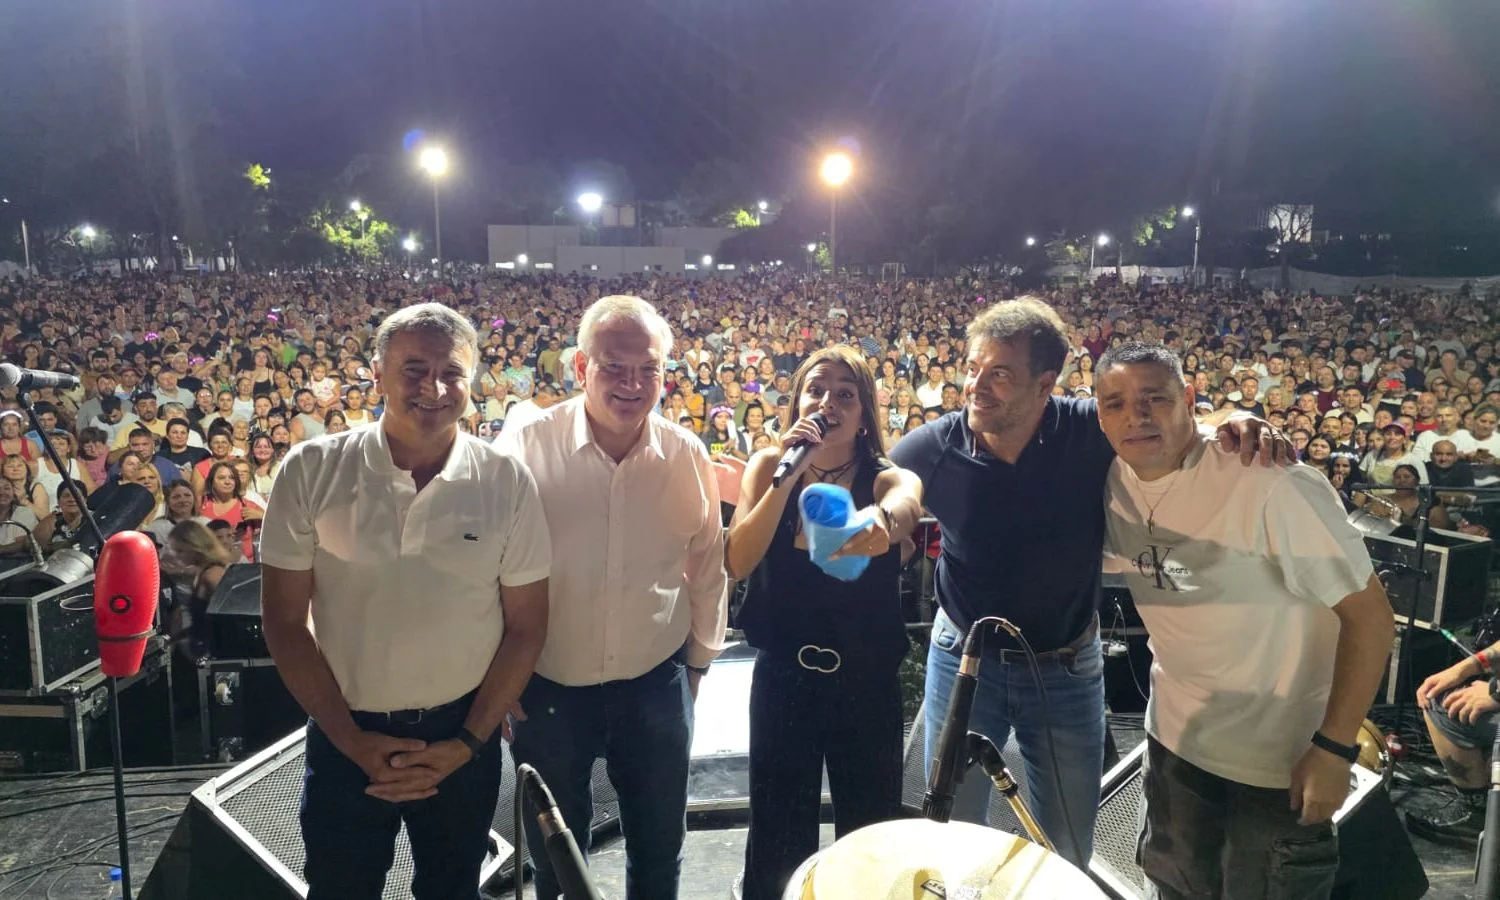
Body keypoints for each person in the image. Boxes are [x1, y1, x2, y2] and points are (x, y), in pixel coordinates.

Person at [888, 297, 1288, 866]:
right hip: (964, 662)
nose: (975, 385)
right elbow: (887, 491)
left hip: (1066, 668)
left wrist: (1232, 421)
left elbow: (1168, 429)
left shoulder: (1088, 430)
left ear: (1045, 383)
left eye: (999, 374)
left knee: (1067, 842)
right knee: (952, 831)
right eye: (972, 367)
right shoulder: (934, 445)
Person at [260, 302, 552, 900]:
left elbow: (527, 624)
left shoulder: (506, 480)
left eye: (452, 372)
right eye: (413, 369)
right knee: (342, 888)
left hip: (461, 734)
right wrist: (352, 741)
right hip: (345, 733)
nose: (435, 387)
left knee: (451, 889)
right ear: (376, 374)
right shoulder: (312, 469)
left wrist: (465, 744)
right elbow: (285, 622)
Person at [1093, 342, 1393, 899]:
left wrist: (1335, 748)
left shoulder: (1269, 479)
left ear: (1187, 397)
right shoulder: (1112, 475)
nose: (1135, 415)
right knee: (1172, 889)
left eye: (1155, 398)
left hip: (1277, 762)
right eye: (1116, 403)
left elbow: (1371, 620)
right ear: (1099, 414)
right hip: (1173, 744)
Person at [496, 295, 728, 900]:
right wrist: (493, 678)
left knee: (658, 855)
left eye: (648, 368)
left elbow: (706, 566)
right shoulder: (525, 449)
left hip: (655, 683)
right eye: (613, 366)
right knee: (557, 863)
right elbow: (483, 571)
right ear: (579, 367)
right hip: (546, 689)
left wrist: (699, 661)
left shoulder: (685, 455)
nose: (632, 383)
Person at [725, 346, 924, 900]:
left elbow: (907, 499)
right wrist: (785, 481)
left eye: (845, 393)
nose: (829, 401)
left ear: (864, 414)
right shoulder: (769, 467)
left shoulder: (885, 476)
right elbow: (737, 560)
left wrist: (884, 522)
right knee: (777, 830)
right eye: (816, 389)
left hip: (866, 679)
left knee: (871, 827)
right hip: (784, 676)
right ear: (797, 402)